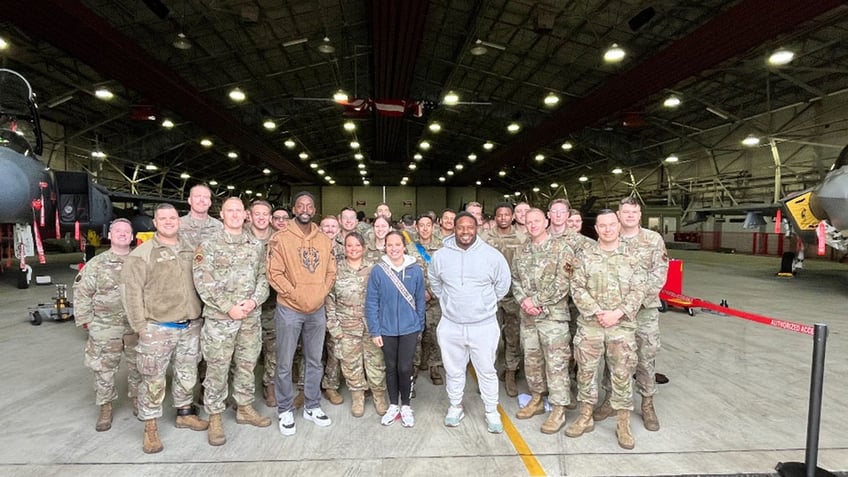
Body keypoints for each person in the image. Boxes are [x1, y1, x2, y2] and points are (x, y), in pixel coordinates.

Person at [122, 203, 207, 454]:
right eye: (163, 218)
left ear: (178, 221)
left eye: (173, 218)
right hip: (157, 327)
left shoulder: (190, 250)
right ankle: (150, 428)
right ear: (155, 223)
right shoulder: (142, 254)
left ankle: (184, 413)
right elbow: (131, 293)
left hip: (190, 325)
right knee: (153, 380)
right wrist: (140, 327)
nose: (169, 222)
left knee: (186, 374)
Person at [565, 209, 646, 450]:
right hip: (591, 325)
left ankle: (623, 423)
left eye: (612, 224)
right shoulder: (585, 257)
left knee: (621, 376)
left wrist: (617, 313)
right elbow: (576, 287)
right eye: (603, 225)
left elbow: (639, 290)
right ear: (596, 229)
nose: (608, 229)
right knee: (586, 374)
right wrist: (597, 312)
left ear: (619, 226)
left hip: (621, 327)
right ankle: (585, 416)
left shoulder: (633, 256)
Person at [193, 197, 271, 446]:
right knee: (217, 369)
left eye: (239, 211)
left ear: (245, 215)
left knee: (247, 366)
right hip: (220, 320)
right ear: (222, 214)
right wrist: (229, 307)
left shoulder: (254, 245)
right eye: (230, 211)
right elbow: (203, 281)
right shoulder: (209, 244)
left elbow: (264, 277)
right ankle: (215, 416)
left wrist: (254, 301)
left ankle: (244, 407)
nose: (236, 215)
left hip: (249, 317)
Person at [428, 211, 511, 434]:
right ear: (453, 229)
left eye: (470, 227)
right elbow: (435, 281)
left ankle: (491, 410)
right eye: (460, 227)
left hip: (482, 325)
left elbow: (503, 283)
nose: (465, 231)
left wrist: (485, 302)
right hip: (451, 325)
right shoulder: (440, 256)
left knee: (486, 370)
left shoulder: (492, 255)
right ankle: (455, 407)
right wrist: (448, 301)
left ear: (478, 228)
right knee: (454, 370)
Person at [593, 197, 669, 432]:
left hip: (643, 311)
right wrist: (614, 309)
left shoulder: (652, 239)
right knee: (613, 358)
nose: (630, 215)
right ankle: (611, 400)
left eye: (634, 212)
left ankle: (647, 403)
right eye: (625, 212)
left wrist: (632, 304)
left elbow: (659, 274)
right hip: (615, 314)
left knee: (645, 357)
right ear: (618, 214)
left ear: (640, 214)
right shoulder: (609, 238)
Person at [267, 191, 337, 436]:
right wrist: (295, 294)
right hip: (290, 310)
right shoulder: (281, 238)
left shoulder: (324, 240)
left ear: (314, 209)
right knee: (285, 362)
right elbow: (274, 273)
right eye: (300, 205)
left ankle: (312, 405)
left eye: (309, 205)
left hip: (317, 310)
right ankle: (285, 408)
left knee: (314, 360)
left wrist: (320, 293)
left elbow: (331, 271)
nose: (305, 209)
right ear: (294, 210)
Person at [73, 218, 140, 432]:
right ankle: (105, 407)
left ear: (132, 237)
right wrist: (89, 322)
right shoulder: (97, 263)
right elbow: (82, 292)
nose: (122, 234)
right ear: (109, 235)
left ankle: (139, 401)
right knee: (103, 371)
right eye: (117, 231)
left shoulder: (140, 262)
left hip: (135, 326)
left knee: (139, 368)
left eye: (126, 232)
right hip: (105, 327)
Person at [511, 208, 574, 434]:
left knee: (556, 364)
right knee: (532, 361)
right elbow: (515, 279)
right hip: (529, 317)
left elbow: (563, 283)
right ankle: (537, 398)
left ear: (546, 221)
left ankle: (558, 408)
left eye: (537, 221)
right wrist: (524, 302)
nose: (533, 225)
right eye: (529, 222)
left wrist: (536, 300)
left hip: (553, 318)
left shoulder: (561, 249)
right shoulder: (521, 251)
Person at [366, 231, 426, 427]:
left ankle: (406, 405)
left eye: (397, 244)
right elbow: (371, 302)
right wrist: (375, 330)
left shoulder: (415, 270)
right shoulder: (378, 271)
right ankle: (393, 405)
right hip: (386, 329)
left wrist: (419, 326)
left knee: (405, 367)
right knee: (390, 367)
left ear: (403, 246)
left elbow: (420, 300)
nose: (393, 248)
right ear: (385, 247)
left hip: (410, 328)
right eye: (389, 245)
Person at [326, 232, 388, 417]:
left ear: (364, 248)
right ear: (344, 248)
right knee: (350, 364)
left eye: (357, 245)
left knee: (376, 363)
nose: (353, 249)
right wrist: (335, 328)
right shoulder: (336, 269)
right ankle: (358, 397)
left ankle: (379, 396)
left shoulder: (374, 269)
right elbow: (329, 300)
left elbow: (383, 298)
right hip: (346, 326)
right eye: (349, 246)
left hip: (372, 327)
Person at [480, 202, 526, 397]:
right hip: (490, 295)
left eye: (507, 215)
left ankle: (510, 372)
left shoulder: (522, 238)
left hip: (512, 295)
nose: (503, 218)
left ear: (512, 217)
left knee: (512, 336)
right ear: (495, 217)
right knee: (488, 336)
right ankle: (487, 374)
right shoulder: (485, 237)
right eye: (500, 215)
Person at [405, 214, 444, 386]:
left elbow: (445, 274)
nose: (425, 228)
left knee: (435, 334)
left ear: (434, 226)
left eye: (428, 225)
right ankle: (414, 366)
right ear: (416, 227)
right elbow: (405, 273)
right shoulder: (410, 247)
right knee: (416, 335)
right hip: (415, 300)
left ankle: (434, 367)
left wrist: (432, 293)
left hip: (436, 299)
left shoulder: (442, 248)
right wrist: (418, 293)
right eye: (422, 225)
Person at [261, 205, 291, 407]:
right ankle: (269, 385)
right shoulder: (267, 242)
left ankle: (284, 382)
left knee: (287, 347)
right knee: (271, 346)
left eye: (285, 218)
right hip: (269, 303)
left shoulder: (294, 240)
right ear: (272, 220)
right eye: (277, 218)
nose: (281, 221)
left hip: (291, 302)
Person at [319, 214, 345, 405]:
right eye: (326, 226)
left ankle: (330, 385)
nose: (329, 229)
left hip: (338, 304)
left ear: (339, 228)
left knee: (335, 346)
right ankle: (307, 387)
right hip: (315, 304)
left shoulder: (346, 249)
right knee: (311, 349)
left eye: (333, 226)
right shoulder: (312, 249)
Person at [180, 184, 223, 249]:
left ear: (210, 202)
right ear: (189, 200)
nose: (202, 200)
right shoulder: (178, 225)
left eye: (206, 197)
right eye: (197, 196)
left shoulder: (219, 226)